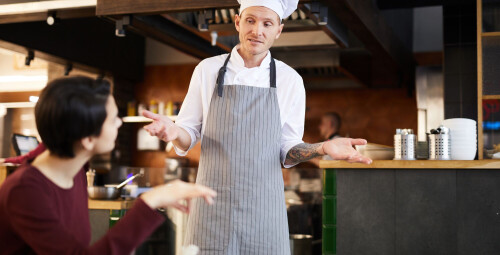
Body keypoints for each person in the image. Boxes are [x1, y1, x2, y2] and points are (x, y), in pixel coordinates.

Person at [141, 0, 372, 253]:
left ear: (279, 30)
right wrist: (174, 132)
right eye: (250, 20)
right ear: (238, 22)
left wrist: (323, 147)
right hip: (211, 209)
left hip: (264, 212)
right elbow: (189, 134)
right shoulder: (207, 70)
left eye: (267, 23)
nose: (257, 31)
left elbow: (288, 150)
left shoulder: (290, 81)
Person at [0, 76, 217, 255]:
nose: (120, 123)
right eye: (113, 119)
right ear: (87, 139)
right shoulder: (26, 192)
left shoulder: (73, 166)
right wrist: (152, 200)